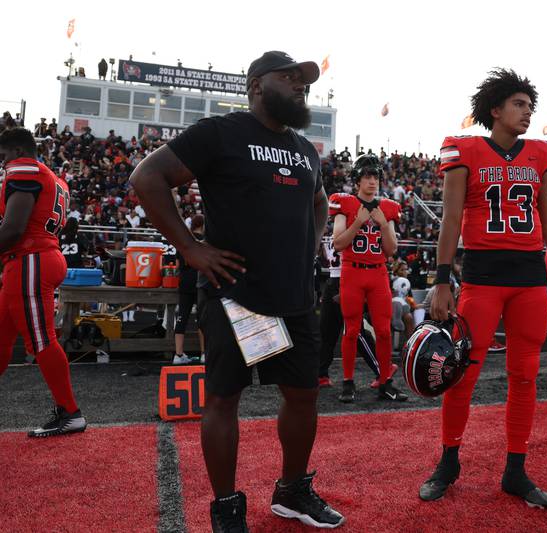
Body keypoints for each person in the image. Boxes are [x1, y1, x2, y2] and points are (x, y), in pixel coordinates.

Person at [130, 51, 344, 531]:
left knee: (304, 394)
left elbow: (319, 200)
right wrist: (190, 248)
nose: (299, 85)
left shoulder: (305, 150)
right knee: (226, 399)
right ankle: (227, 505)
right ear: (254, 86)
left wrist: (310, 248)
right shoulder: (221, 133)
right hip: (236, 294)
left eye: (303, 80)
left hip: (293, 297)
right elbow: (147, 178)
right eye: (288, 78)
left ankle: (291, 491)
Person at [420, 69, 547, 508]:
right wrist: (441, 280)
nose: (527, 112)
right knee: (463, 374)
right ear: (496, 109)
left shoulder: (541, 153)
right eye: (519, 104)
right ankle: (449, 461)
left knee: (525, 375)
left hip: (530, 278)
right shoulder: (466, 149)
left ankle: (515, 469)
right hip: (482, 277)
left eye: (531, 106)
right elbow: (451, 220)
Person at [0, 127, 86, 437]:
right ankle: (69, 411)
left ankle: (70, 412)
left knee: (41, 339)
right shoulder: (55, 178)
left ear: (18, 152)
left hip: (30, 259)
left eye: (4, 156)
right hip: (34, 258)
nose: (3, 164)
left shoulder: (24, 169)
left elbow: (12, 229)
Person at [329, 153, 407, 402]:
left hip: (378, 273)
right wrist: (358, 223)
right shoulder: (344, 204)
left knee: (383, 331)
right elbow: (338, 243)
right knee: (351, 330)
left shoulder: (388, 208)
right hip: (352, 270)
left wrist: (384, 226)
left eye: (375, 176)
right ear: (357, 180)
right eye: (367, 176)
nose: (372, 181)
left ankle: (385, 381)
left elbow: (391, 250)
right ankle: (348, 382)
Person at [316, 238, 384, 389]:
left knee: (355, 332)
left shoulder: (354, 226)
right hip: (333, 279)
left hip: (348, 278)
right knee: (326, 329)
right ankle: (321, 374)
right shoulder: (337, 224)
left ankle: (382, 370)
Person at [173, 214, 205, 365]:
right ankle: (204, 353)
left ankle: (178, 355)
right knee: (202, 320)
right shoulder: (205, 241)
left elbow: (178, 266)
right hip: (200, 282)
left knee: (182, 317)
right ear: (203, 225)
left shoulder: (183, 241)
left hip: (185, 282)